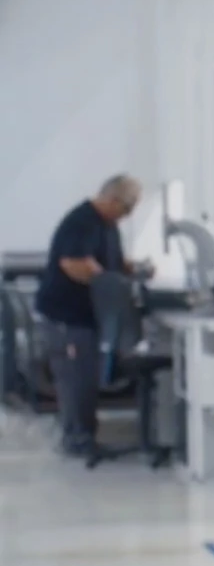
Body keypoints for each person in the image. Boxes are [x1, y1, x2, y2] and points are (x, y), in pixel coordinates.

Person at [37, 174, 144, 456]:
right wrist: (108, 281)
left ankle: (84, 437)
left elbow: (113, 262)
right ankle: (77, 441)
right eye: (127, 207)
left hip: (88, 319)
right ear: (111, 199)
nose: (128, 214)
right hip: (67, 319)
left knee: (86, 380)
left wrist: (133, 270)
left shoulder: (109, 226)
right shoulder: (81, 222)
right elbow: (74, 264)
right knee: (76, 381)